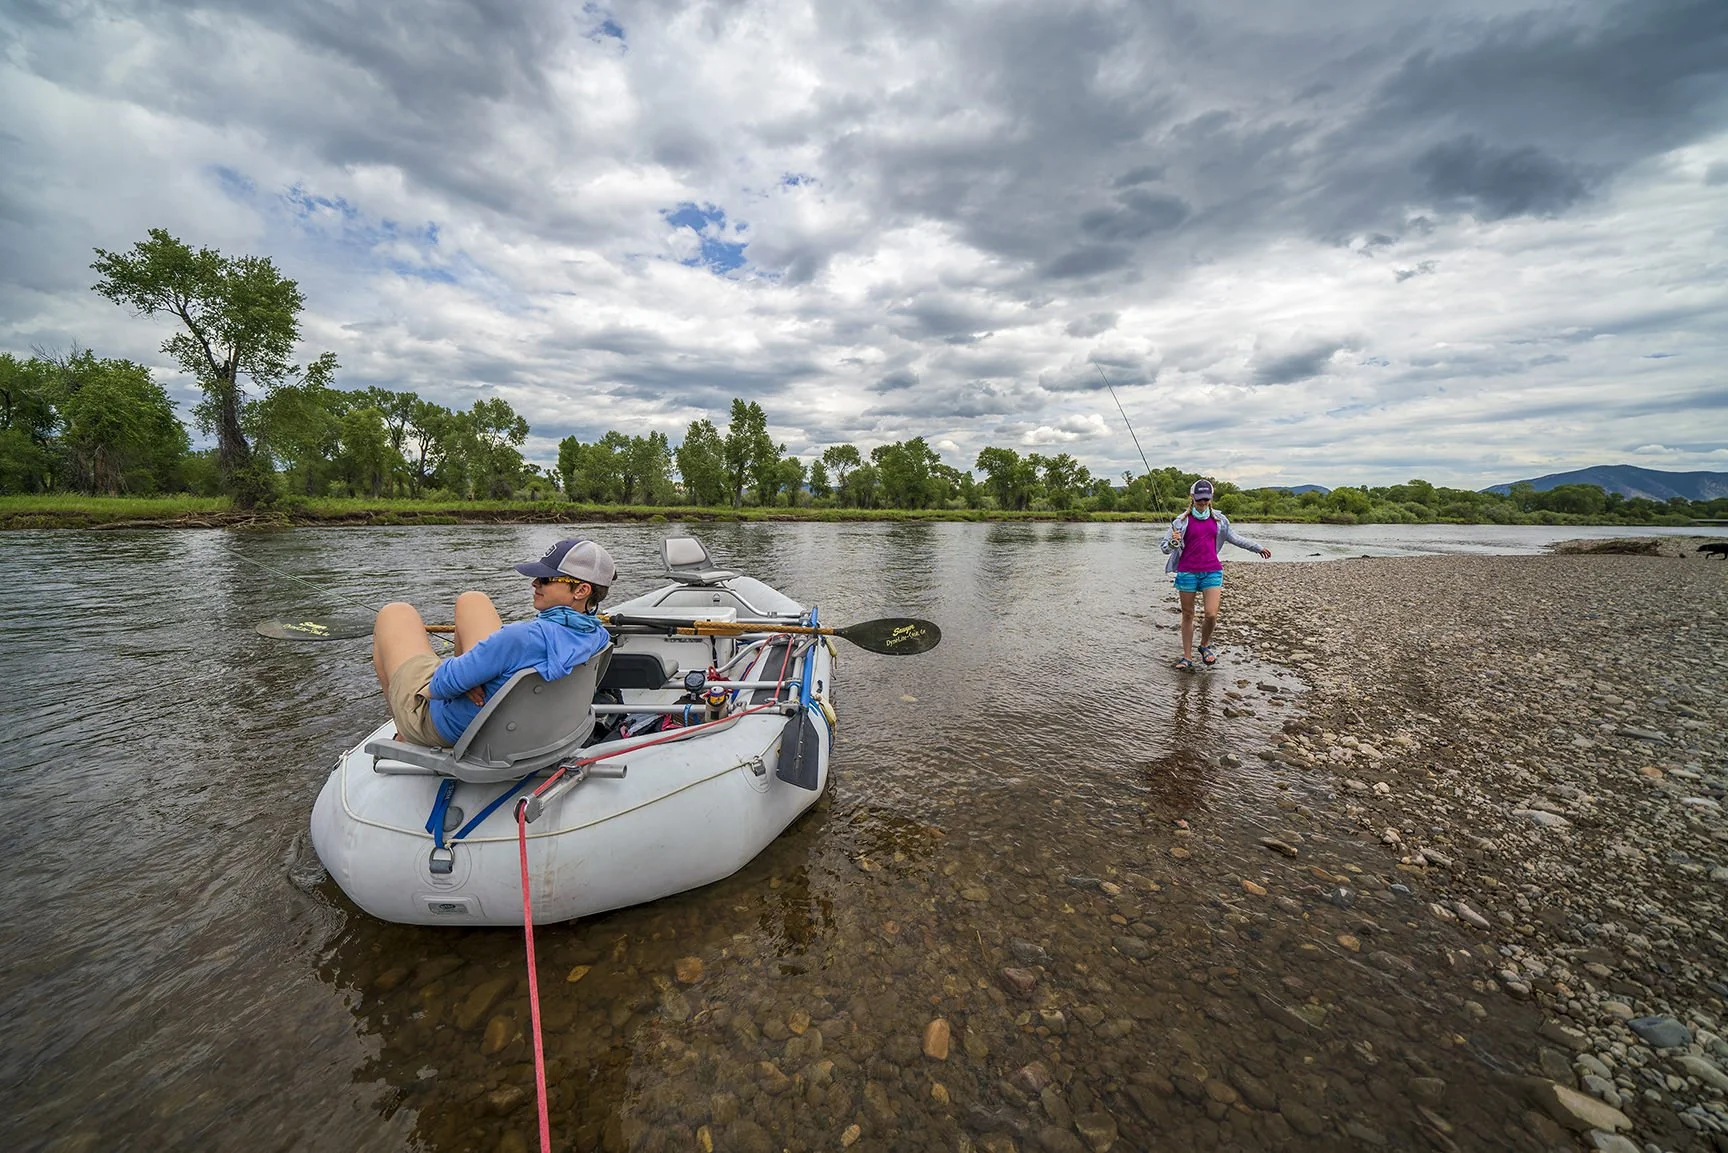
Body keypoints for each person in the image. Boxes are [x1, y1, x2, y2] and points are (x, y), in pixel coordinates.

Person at [372, 537, 617, 747]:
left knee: (395, 613)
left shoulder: (520, 637)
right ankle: (471, 673)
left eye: (545, 579)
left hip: (458, 730)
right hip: (529, 727)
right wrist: (470, 673)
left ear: (581, 590)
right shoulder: (599, 637)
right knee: (473, 600)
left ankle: (405, 732)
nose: (534, 584)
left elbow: (441, 684)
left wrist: (464, 677)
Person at [1158, 479, 1271, 671]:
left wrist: (1257, 548)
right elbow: (1164, 548)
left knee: (1211, 614)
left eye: (1206, 499)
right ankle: (1186, 657)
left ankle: (1204, 645)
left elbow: (1236, 539)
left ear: (1211, 499)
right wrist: (1173, 543)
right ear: (1192, 497)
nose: (1202, 503)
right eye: (1199, 499)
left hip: (1212, 571)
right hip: (1187, 572)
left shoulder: (1220, 520)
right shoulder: (1180, 521)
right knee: (1188, 615)